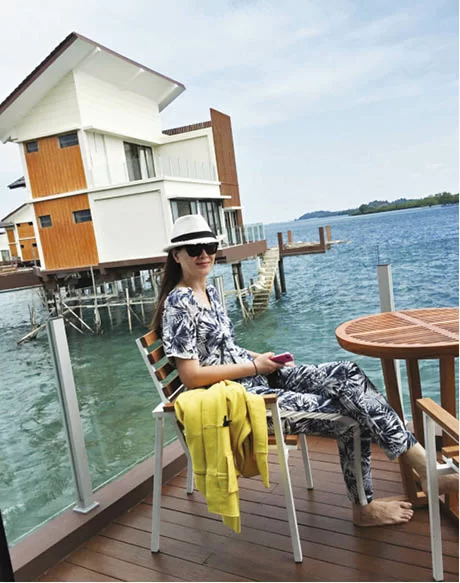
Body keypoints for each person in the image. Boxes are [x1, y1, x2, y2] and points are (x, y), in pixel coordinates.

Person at [152, 214, 458, 527]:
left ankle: (423, 466)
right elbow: (190, 376)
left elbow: (224, 349)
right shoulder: (179, 304)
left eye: (209, 246)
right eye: (194, 249)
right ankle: (373, 503)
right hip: (240, 398)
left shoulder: (211, 293)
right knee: (351, 418)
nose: (204, 253)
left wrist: (263, 359)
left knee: (347, 373)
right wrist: (254, 366)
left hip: (255, 375)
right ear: (176, 256)